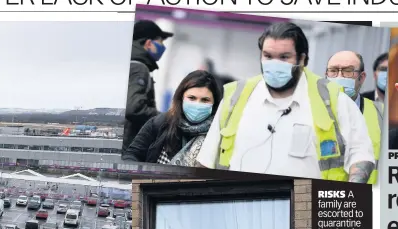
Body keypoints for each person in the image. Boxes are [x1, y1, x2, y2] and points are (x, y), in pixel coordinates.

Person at [196, 22, 376, 183]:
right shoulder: (235, 97)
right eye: (268, 56)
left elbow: (361, 155)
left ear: (303, 60)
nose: (274, 64)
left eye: (284, 57)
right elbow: (206, 161)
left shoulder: (334, 100)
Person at [123, 70, 221, 165]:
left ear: (214, 103)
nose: (197, 104)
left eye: (205, 100)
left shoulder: (217, 135)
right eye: (192, 98)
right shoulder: (160, 123)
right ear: (181, 98)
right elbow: (132, 155)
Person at [325, 51, 383, 184]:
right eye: (333, 71)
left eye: (348, 71)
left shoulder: (382, 114)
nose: (339, 76)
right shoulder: (310, 110)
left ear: (361, 78)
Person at [123, 20, 173, 155]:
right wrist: (164, 118)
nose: (163, 46)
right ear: (149, 43)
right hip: (128, 144)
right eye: (160, 41)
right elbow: (134, 108)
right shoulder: (139, 67)